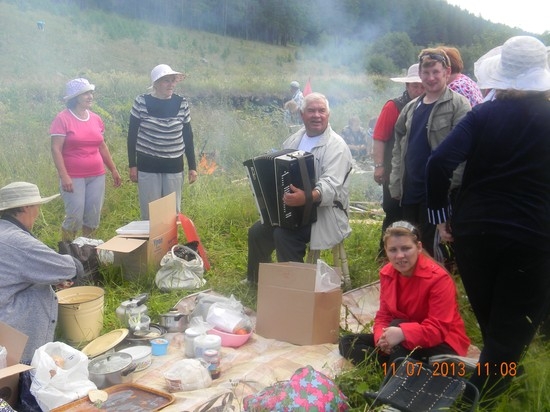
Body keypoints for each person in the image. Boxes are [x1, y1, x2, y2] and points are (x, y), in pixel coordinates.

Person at [426, 36, 550, 404]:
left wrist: (440, 217)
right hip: (532, 235)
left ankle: (504, 376)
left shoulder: (483, 114)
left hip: (475, 233)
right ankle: (473, 402)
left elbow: (438, 163)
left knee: (496, 323)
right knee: (509, 330)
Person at [246, 92, 353, 285]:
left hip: (325, 212)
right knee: (257, 232)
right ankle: (258, 281)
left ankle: (294, 287)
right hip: (294, 209)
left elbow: (332, 185)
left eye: (321, 111)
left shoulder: (337, 146)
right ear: (302, 115)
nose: (316, 115)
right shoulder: (293, 140)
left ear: (328, 115)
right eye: (311, 110)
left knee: (284, 235)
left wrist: (307, 197)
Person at [339, 221, 470, 366]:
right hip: (403, 334)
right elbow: (384, 315)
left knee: (400, 339)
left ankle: (395, 370)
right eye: (393, 250)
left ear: (419, 247)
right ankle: (396, 366)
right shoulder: (387, 273)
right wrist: (380, 338)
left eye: (406, 248)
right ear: (386, 251)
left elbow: (437, 329)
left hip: (442, 341)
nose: (400, 256)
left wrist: (402, 334)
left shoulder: (438, 279)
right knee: (348, 342)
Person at [389, 49, 470, 257]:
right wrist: (396, 180)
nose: (431, 78)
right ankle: (414, 290)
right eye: (426, 73)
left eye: (436, 72)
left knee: (433, 252)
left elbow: (465, 153)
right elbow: (398, 145)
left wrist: (450, 189)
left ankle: (438, 290)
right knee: (410, 248)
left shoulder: (458, 105)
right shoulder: (410, 107)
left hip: (436, 195)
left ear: (446, 71)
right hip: (410, 192)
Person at [0, 182, 83, 360]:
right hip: (6, 330)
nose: (38, 212)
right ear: (26, 207)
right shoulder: (16, 240)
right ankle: (31, 359)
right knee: (42, 292)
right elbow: (70, 268)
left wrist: (47, 276)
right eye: (37, 206)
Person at [50, 78, 121, 241]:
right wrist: (64, 175)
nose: (90, 96)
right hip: (73, 176)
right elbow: (55, 149)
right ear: (75, 98)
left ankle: (86, 252)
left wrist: (113, 169)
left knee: (93, 215)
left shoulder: (95, 118)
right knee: (75, 215)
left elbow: (102, 146)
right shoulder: (63, 118)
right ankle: (68, 252)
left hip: (97, 175)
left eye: (91, 93)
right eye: (85, 94)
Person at [128, 64, 198, 219]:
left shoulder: (182, 103)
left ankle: (169, 244)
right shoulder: (141, 102)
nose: (171, 84)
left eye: (173, 80)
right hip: (147, 164)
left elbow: (188, 135)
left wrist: (192, 167)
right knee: (150, 212)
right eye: (166, 80)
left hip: (174, 165)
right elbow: (132, 134)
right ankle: (151, 243)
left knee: (171, 213)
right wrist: (132, 164)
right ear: (156, 84)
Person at [372, 64, 424, 258]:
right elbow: (379, 137)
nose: (417, 89)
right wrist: (379, 166)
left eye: (421, 86)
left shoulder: (429, 106)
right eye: (414, 86)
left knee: (413, 216)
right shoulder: (393, 106)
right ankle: (385, 255)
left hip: (416, 172)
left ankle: (412, 256)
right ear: (407, 85)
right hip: (393, 171)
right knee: (393, 213)